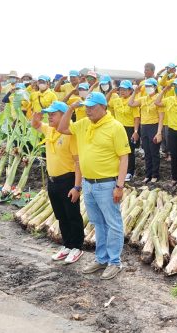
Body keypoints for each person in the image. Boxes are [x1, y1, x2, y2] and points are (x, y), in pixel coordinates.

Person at [57, 92, 130, 280]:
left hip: (107, 184)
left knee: (113, 224)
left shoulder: (115, 127)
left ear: (103, 107)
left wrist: (119, 186)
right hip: (88, 184)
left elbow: (124, 158)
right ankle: (101, 258)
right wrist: (72, 108)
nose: (88, 110)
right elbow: (62, 127)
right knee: (98, 223)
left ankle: (114, 262)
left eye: (92, 107)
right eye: (86, 107)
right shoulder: (83, 124)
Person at [30, 101, 84, 264]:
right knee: (61, 216)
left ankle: (77, 247)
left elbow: (78, 162)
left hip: (68, 180)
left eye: (53, 114)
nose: (49, 117)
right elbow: (36, 124)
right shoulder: (50, 130)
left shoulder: (70, 133)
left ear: (63, 114)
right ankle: (67, 245)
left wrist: (77, 186)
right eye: (48, 114)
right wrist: (35, 117)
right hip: (53, 181)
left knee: (72, 215)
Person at [129, 78, 164, 183]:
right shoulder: (143, 99)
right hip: (144, 127)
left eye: (150, 86)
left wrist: (159, 132)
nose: (148, 88)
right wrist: (135, 92)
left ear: (155, 87)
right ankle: (148, 175)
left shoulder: (158, 99)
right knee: (147, 152)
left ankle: (155, 174)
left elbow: (161, 117)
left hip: (154, 126)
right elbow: (131, 103)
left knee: (154, 152)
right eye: (146, 86)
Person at [108, 80, 140, 181]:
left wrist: (135, 132)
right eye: (121, 89)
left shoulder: (132, 101)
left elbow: (136, 118)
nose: (122, 91)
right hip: (117, 128)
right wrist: (111, 92)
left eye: (125, 89)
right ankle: (119, 170)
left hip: (129, 128)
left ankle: (130, 172)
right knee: (117, 150)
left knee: (129, 151)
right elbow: (104, 102)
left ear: (130, 91)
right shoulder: (116, 100)